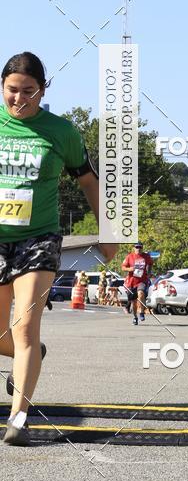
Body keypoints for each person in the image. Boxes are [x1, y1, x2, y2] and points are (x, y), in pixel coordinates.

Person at [0, 52, 117, 446]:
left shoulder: (61, 132)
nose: (20, 100)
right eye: (12, 91)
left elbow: (88, 180)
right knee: (3, 334)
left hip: (39, 239)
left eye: (29, 92)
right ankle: (29, 355)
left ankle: (19, 417)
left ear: (43, 90)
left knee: (25, 326)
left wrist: (109, 230)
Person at [122, 243, 153, 325]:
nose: (138, 249)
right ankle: (135, 317)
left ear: (142, 248)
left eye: (140, 247)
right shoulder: (130, 257)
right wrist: (130, 269)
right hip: (131, 282)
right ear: (134, 248)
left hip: (142, 281)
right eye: (137, 247)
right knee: (134, 303)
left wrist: (149, 272)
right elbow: (123, 267)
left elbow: (150, 263)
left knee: (141, 293)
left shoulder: (146, 256)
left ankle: (142, 312)